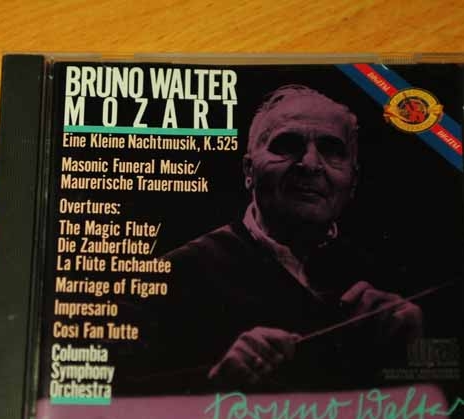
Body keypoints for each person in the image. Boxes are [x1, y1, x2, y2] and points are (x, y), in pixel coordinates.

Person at [124, 85, 422, 394]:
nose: (310, 164)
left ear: (353, 181)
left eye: (331, 150)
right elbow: (118, 399)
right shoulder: (171, 276)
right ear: (248, 171)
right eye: (287, 145)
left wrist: (411, 351)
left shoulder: (389, 281)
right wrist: (213, 383)